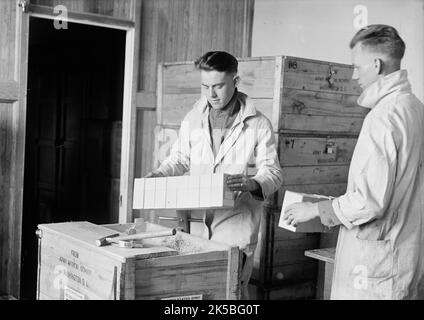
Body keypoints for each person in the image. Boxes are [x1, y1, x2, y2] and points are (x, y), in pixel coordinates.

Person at [283, 24, 424, 299]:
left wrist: (314, 210)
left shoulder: (384, 116)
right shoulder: (414, 107)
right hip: (403, 255)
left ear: (376, 64)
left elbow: (369, 201)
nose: (354, 75)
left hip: (376, 268)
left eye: (357, 66)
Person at [146, 51, 283, 299]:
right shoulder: (192, 118)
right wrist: (159, 174)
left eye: (218, 86)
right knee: (196, 291)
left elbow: (273, 172)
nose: (211, 94)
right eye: (205, 86)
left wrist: (252, 183)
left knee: (230, 293)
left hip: (235, 224)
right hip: (196, 223)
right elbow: (179, 159)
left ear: (235, 81)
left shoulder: (258, 123)